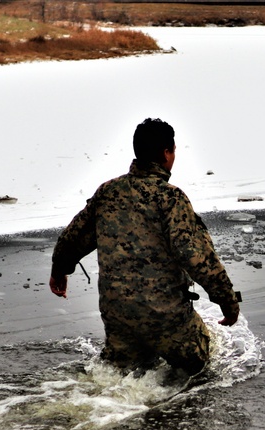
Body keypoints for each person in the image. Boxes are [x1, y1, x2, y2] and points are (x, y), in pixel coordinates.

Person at [49, 118, 240, 377]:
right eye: (173, 150)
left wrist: (60, 270)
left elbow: (74, 237)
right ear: (166, 152)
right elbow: (195, 256)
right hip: (165, 318)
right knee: (204, 366)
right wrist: (228, 301)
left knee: (117, 378)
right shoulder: (170, 197)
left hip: (119, 317)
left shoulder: (108, 192)